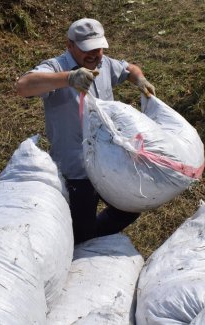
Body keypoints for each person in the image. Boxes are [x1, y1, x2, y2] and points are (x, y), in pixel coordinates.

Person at [15, 18, 156, 244]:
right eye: (86, 50)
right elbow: (23, 86)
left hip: (109, 160)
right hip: (76, 169)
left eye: (98, 49)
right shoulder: (55, 67)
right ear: (70, 45)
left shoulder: (105, 64)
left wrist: (139, 79)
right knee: (82, 230)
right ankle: (85, 242)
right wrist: (69, 78)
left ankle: (96, 236)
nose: (93, 55)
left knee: (131, 207)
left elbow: (128, 69)